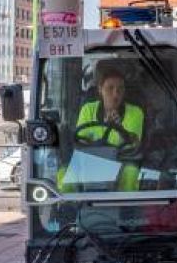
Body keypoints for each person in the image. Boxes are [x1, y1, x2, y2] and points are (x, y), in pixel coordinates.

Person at [61, 64, 145, 192]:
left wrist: (119, 128)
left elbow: (134, 144)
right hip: (89, 160)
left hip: (121, 160)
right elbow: (80, 140)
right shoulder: (88, 109)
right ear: (100, 89)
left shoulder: (135, 112)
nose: (115, 93)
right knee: (64, 174)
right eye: (110, 88)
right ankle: (68, 207)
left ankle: (126, 210)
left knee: (131, 174)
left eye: (120, 89)